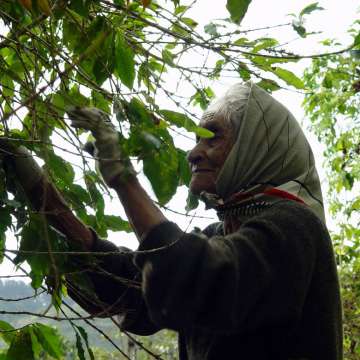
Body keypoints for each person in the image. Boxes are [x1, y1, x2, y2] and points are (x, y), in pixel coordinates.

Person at [1, 82, 342, 359]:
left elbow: (196, 278)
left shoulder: (295, 227)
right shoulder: (219, 235)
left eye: (214, 135)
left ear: (257, 146)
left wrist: (123, 179)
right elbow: (129, 289)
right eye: (196, 138)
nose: (194, 153)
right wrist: (42, 194)